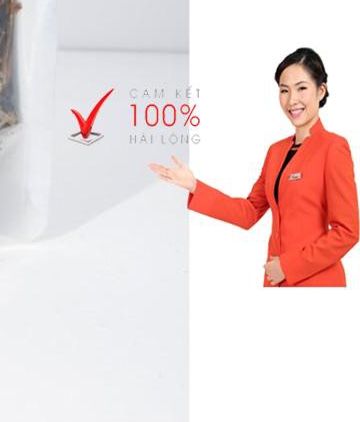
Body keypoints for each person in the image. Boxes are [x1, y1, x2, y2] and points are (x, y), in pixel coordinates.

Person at [150, 48, 359, 286]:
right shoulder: (276, 152)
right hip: (276, 281)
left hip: (318, 283)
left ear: (321, 91)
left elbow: (348, 231)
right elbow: (249, 212)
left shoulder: (333, 147)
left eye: (301, 88)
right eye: (284, 90)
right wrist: (195, 186)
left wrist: (289, 266)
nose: (292, 100)